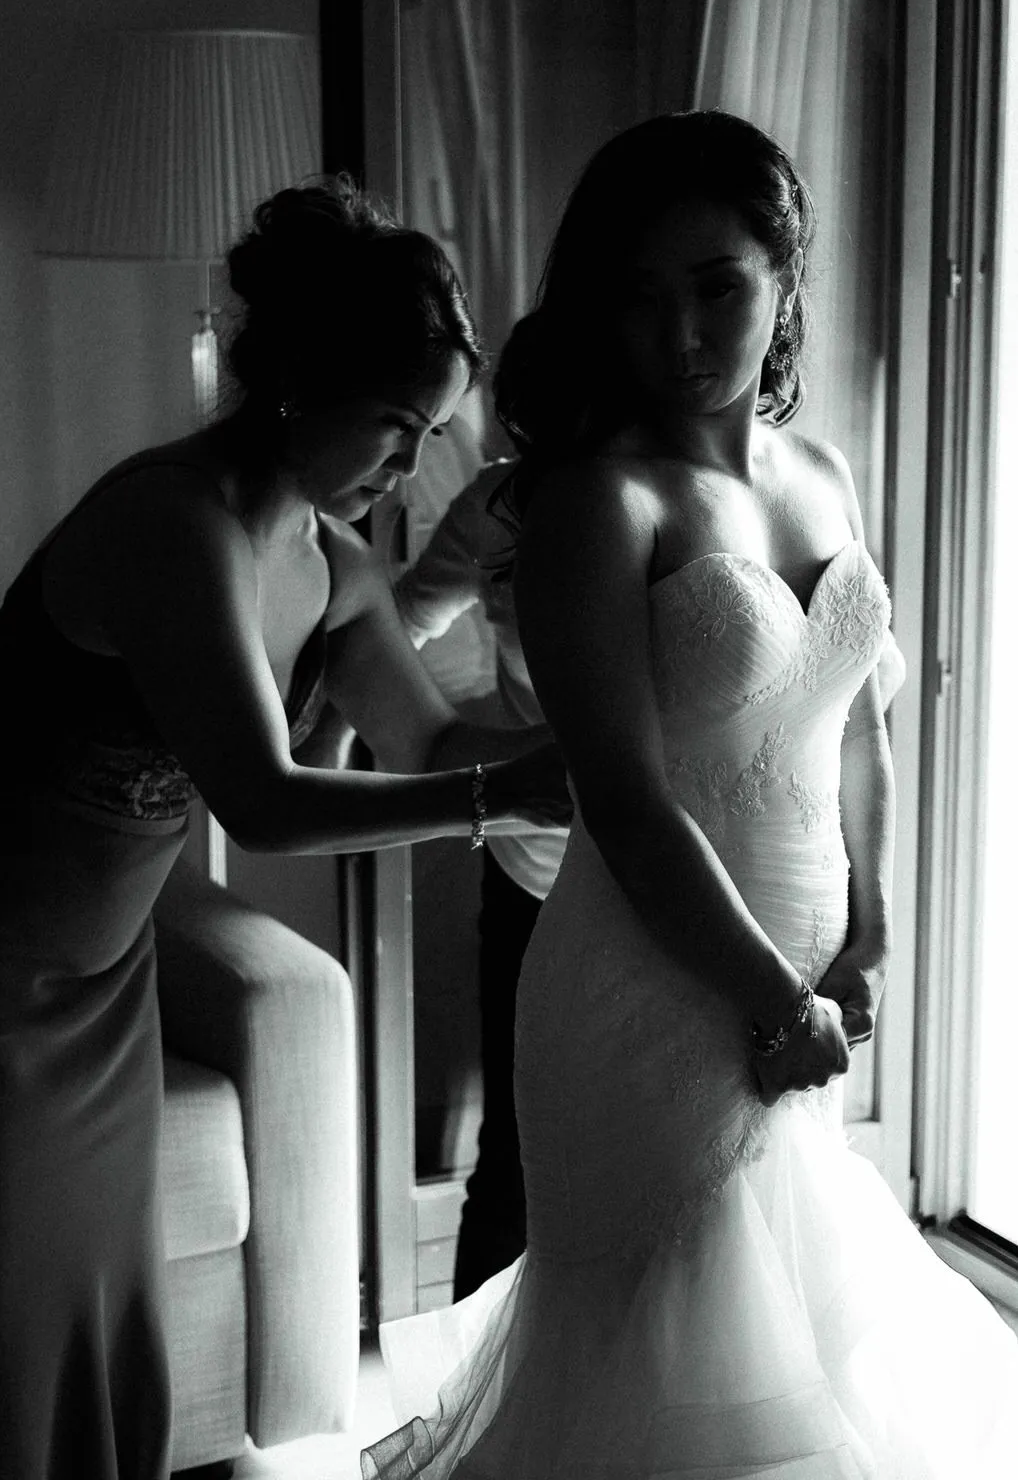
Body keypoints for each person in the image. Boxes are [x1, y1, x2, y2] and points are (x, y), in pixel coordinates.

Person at [362, 112, 1018, 1480]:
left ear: (783, 276)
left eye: (715, 284)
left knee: (797, 1371)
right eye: (639, 295)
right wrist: (770, 998)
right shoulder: (593, 505)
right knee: (654, 1382)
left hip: (806, 995)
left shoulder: (821, 473)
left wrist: (873, 930)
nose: (678, 332)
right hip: (649, 996)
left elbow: (860, 733)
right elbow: (622, 798)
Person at [0, 176, 570, 1480]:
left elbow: (431, 744)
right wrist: (498, 796)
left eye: (432, 435)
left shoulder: (335, 563)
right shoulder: (168, 525)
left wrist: (587, 745)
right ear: (297, 375)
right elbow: (269, 800)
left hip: (100, 997)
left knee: (94, 1325)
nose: (410, 472)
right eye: (396, 428)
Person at [395, 456, 568, 1298]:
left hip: (689, 874)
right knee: (514, 1156)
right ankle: (470, 1416)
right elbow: (396, 627)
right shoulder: (496, 506)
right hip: (531, 869)